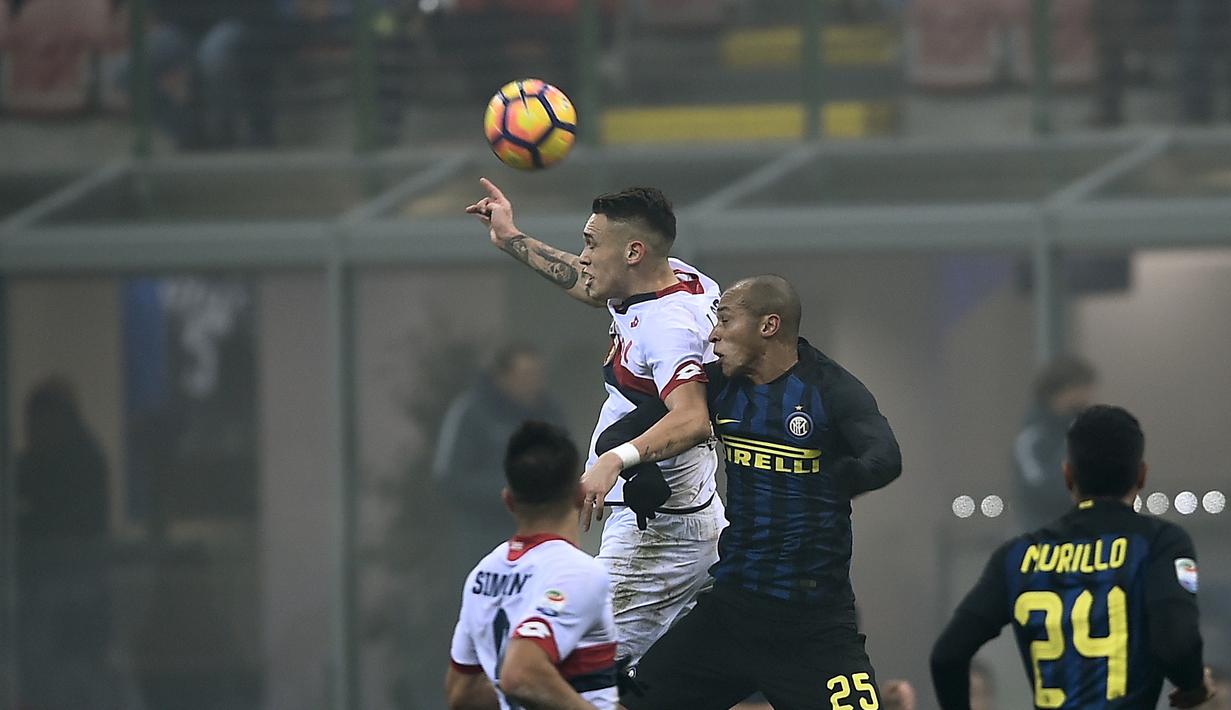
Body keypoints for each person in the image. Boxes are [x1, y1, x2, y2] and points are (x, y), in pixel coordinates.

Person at [466, 178, 723, 665]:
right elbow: (588, 284)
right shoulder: (676, 278)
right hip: (678, 517)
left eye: (590, 243)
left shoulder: (669, 328)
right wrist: (510, 237)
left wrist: (614, 459)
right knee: (660, 682)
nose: (582, 256)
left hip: (657, 540)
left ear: (633, 252)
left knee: (559, 673)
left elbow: (693, 419)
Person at [622, 275, 903, 710]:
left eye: (726, 319)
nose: (713, 333)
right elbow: (623, 430)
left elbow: (885, 457)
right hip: (731, 615)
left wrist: (840, 478)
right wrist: (636, 470)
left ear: (768, 326)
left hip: (813, 628)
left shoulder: (829, 389)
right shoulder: (718, 385)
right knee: (626, 703)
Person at [932, 405, 1213, 709]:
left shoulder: (1018, 556)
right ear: (1142, 475)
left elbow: (948, 655)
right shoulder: (1159, 543)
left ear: (1068, 474)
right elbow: (1178, 646)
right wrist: (1193, 685)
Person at [445, 421, 617, 710]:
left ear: (509, 501)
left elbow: (463, 692)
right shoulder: (579, 574)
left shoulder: (482, 574)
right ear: (579, 494)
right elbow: (521, 673)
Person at [15, 377, 115, 709]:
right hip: (60, 596)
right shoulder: (48, 461)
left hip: (69, 594)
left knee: (69, 681)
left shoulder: (79, 464)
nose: (34, 432)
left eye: (39, 423)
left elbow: (62, 525)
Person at [433, 342, 567, 576]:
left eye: (537, 374)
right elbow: (450, 478)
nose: (533, 382)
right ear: (502, 377)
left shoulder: (550, 413)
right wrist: (509, 492)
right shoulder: (472, 412)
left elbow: (567, 460)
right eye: (525, 375)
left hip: (542, 533)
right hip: (483, 536)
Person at [1013, 355, 1096, 531]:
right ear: (1063, 390)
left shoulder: (1083, 430)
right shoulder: (1033, 437)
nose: (1088, 395)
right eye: (1082, 388)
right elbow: (1039, 485)